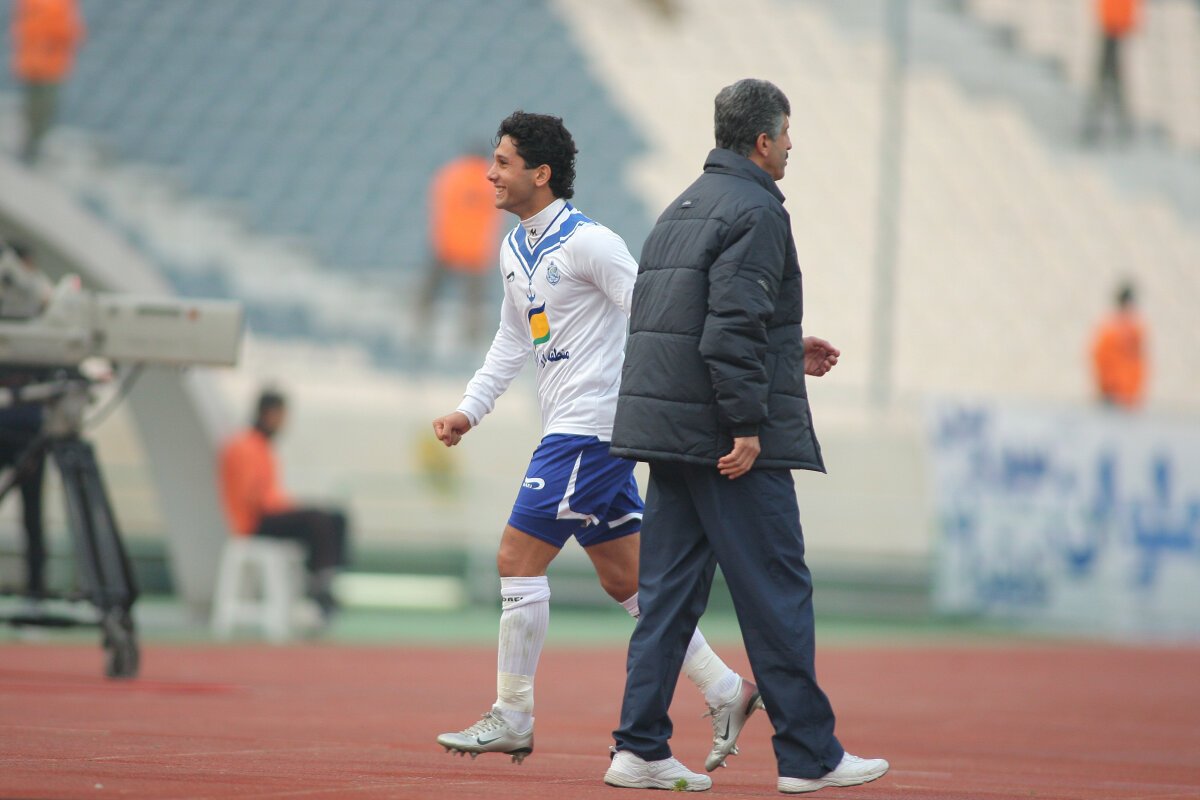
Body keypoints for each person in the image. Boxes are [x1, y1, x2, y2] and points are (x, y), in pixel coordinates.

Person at [431, 111, 762, 778]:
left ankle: (513, 713)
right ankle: (726, 688)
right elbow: (512, 340)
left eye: (502, 162)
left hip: (590, 432)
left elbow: (659, 316)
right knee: (628, 581)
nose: (489, 174)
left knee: (515, 557)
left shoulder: (591, 243)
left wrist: (749, 367)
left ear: (540, 173)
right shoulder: (513, 249)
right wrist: (470, 409)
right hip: (575, 432)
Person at [605, 79, 889, 794]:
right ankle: (809, 757)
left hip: (671, 434)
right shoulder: (757, 210)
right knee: (776, 592)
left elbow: (686, 322)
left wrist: (784, 349)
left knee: (667, 601)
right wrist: (745, 424)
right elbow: (728, 328)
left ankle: (638, 748)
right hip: (726, 444)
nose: (792, 145)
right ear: (763, 141)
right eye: (786, 132)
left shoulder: (682, 206)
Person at [218, 390, 349, 618]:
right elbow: (254, 498)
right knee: (316, 519)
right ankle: (317, 586)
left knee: (336, 518)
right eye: (281, 416)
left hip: (269, 513)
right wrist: (285, 507)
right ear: (268, 414)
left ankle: (325, 578)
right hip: (254, 522)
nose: (283, 423)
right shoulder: (243, 446)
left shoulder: (262, 447)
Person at [0, 240, 55, 603]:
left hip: (30, 431)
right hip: (6, 424)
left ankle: (36, 592)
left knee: (33, 516)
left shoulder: (41, 312)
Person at [413, 147, 503, 355]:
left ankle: (420, 327)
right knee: (474, 301)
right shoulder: (493, 181)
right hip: (476, 250)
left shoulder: (452, 174)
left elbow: (438, 204)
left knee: (430, 292)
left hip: (448, 244)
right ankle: (473, 339)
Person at [10, 0, 86, 165]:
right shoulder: (57, 5)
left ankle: (30, 149)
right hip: (47, 66)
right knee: (41, 110)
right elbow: (69, 33)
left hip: (34, 63)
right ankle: (31, 151)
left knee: (35, 109)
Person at [1081, 0, 1140, 145]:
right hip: (1111, 25)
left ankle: (1111, 122)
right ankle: (1114, 121)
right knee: (1111, 76)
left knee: (1109, 76)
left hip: (1114, 25)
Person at [1090, 281, 1146, 408]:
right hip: (1114, 390)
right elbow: (1100, 357)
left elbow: (1138, 360)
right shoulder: (1111, 328)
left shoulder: (1133, 328)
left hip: (1125, 390)